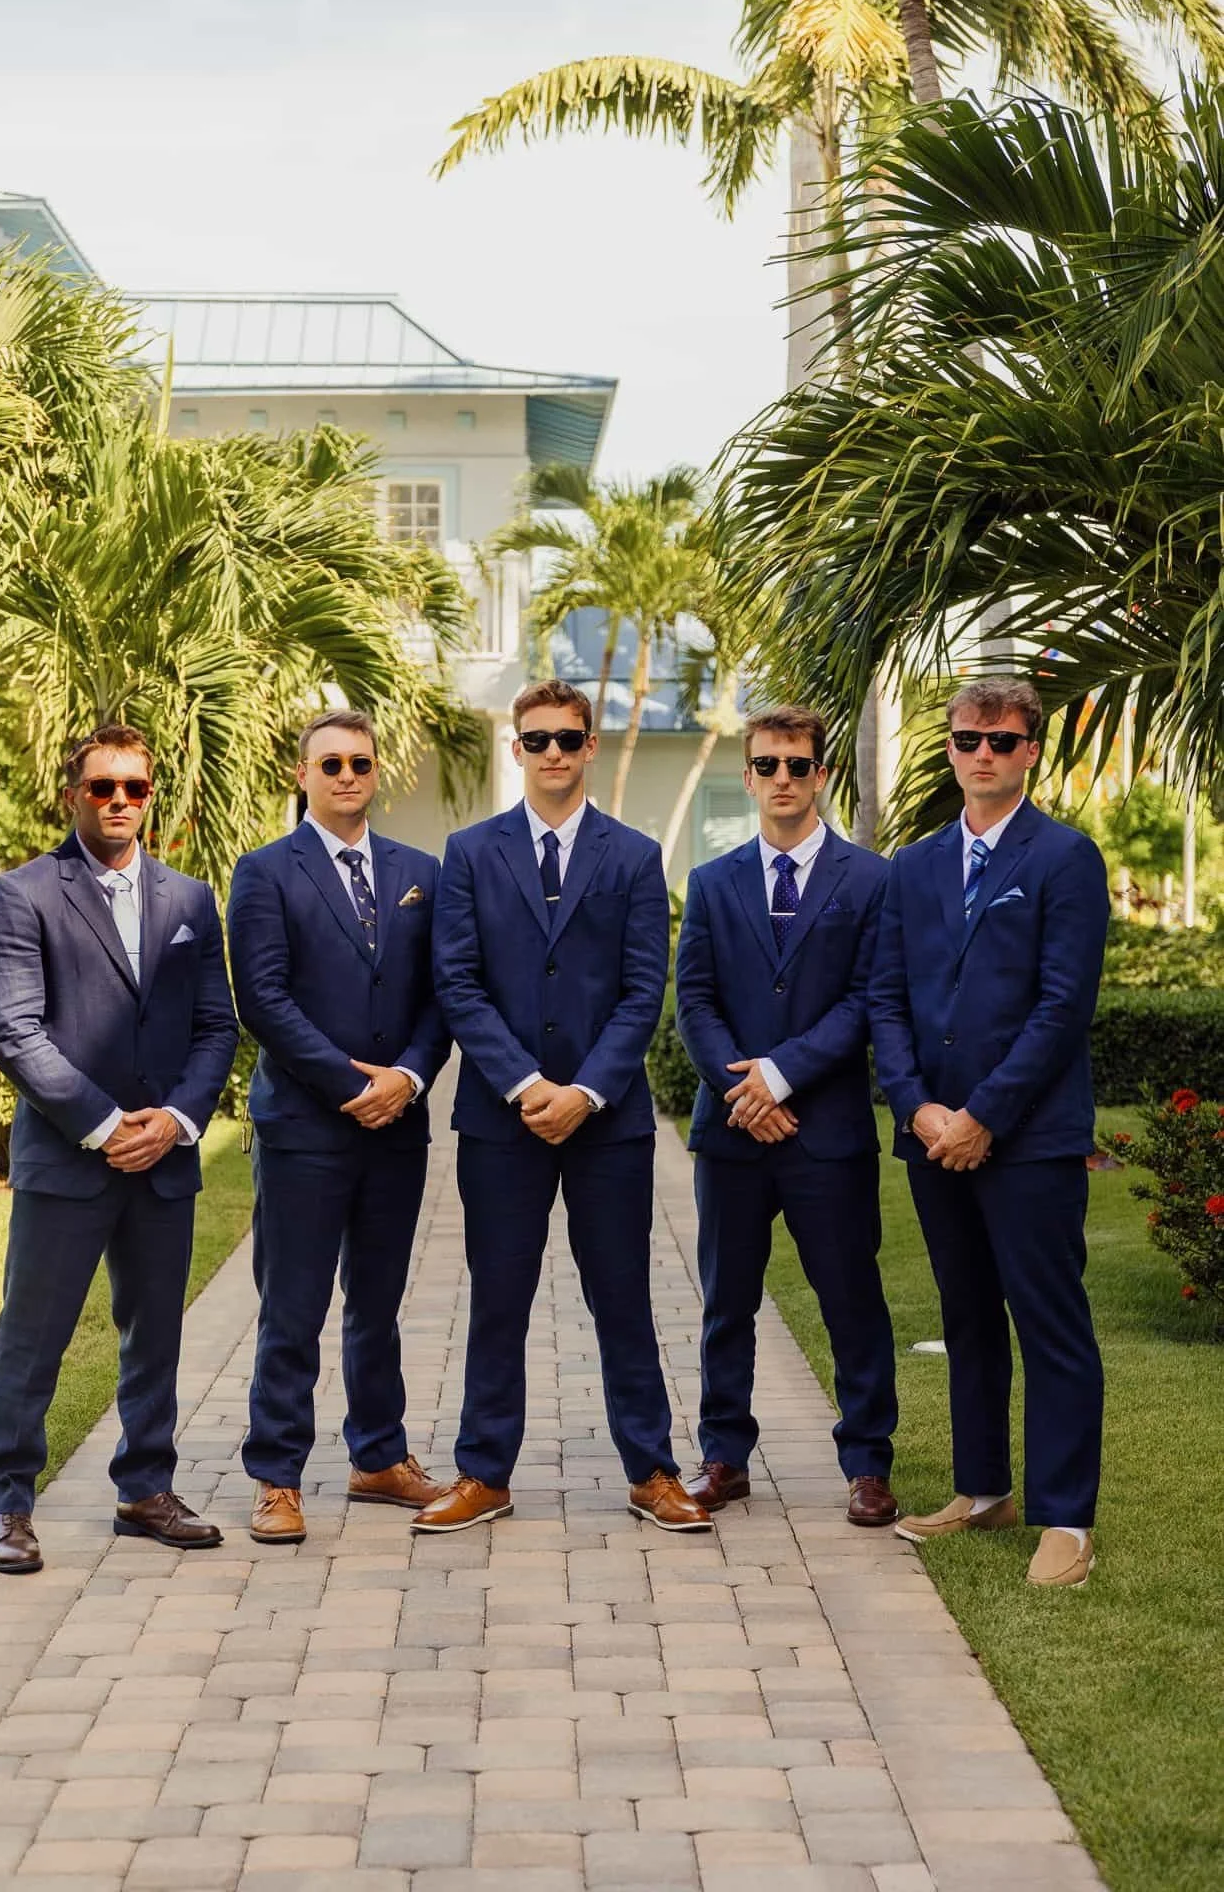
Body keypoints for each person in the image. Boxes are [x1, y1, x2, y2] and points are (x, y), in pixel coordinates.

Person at [414, 678, 709, 1535]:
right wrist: (523, 1083)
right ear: (517, 749)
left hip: (607, 1122)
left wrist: (584, 1090)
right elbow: (458, 983)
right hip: (498, 1120)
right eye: (536, 739)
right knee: (497, 1297)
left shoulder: (631, 855)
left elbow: (642, 987)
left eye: (567, 739)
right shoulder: (469, 852)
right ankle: (483, 1474)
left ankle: (651, 1470)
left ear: (590, 748)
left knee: (622, 1296)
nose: (552, 753)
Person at [0, 725, 239, 1573]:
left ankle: (145, 1489)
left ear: (151, 796)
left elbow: (215, 1026)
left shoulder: (192, 900)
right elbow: (14, 1032)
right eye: (102, 787)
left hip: (164, 1159)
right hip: (67, 1159)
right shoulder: (24, 895)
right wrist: (103, 1123)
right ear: (72, 796)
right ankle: (9, 1503)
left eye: (135, 787)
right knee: (34, 1333)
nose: (119, 800)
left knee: (154, 1331)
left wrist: (175, 1121)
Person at [869, 677, 1110, 1588]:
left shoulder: (1065, 858)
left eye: (1002, 742)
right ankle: (981, 1492)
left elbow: (1061, 1009)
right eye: (969, 739)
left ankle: (1066, 1519)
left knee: (1050, 1324)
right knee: (967, 1317)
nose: (983, 754)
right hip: (934, 1134)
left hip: (1031, 1139)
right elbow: (888, 997)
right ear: (949, 748)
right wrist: (918, 1106)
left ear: (1031, 752)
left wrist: (983, 1116)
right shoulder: (915, 865)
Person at [227, 711, 451, 1543]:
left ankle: (378, 1456)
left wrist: (408, 1077)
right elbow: (264, 1000)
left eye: (359, 761)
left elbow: (441, 995)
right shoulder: (264, 873)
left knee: (379, 1302)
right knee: (293, 1304)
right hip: (304, 1127)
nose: (346, 774)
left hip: (398, 1123)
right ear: (303, 774)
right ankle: (277, 1477)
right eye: (330, 763)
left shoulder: (419, 872)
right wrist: (345, 1084)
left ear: (376, 770)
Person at [676, 706, 898, 1526]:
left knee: (851, 1298)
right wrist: (745, 1093)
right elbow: (693, 1002)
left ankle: (867, 1465)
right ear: (747, 777)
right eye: (766, 765)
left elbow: (869, 1001)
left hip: (825, 1133)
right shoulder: (711, 881)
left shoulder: (873, 881)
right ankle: (723, 1458)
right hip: (732, 1133)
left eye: (797, 765)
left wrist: (778, 1075)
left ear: (821, 775)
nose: (782, 780)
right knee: (726, 1303)